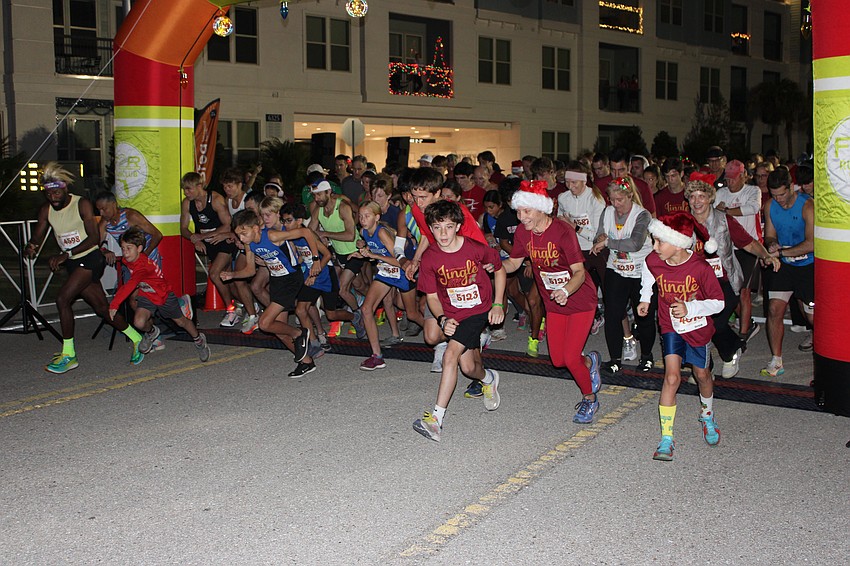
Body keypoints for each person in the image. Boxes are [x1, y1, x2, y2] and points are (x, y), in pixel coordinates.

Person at [25, 162, 144, 373]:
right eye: (49, 193)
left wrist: (66, 254)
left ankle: (69, 355)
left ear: (65, 189)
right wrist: (32, 247)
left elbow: (93, 238)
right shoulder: (46, 210)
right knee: (101, 308)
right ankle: (137, 339)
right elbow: (38, 234)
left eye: (56, 192)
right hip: (73, 262)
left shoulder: (82, 205)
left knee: (62, 299)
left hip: (90, 259)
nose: (53, 197)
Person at [502, 180, 603, 424]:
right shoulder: (523, 232)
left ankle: (590, 399)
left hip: (579, 299)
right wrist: (492, 268)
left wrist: (566, 290)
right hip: (553, 302)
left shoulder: (562, 231)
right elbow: (514, 263)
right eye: (519, 211)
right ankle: (590, 361)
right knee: (558, 360)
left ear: (541, 209)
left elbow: (579, 271)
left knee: (569, 358)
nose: (521, 216)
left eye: (527, 211)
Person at [412, 200, 507, 442]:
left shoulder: (475, 248)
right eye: (436, 227)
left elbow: (499, 268)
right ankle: (489, 379)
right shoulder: (430, 258)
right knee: (469, 368)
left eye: (448, 226)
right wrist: (442, 318)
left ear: (457, 226)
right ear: (430, 229)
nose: (443, 233)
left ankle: (436, 420)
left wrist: (497, 304)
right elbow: (431, 296)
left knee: (449, 356)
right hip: (453, 313)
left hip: (478, 310)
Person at [638, 212, 725, 461]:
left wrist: (691, 307)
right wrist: (646, 298)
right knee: (672, 377)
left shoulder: (699, 268)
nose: (654, 247)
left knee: (701, 375)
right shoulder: (655, 260)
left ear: (677, 242)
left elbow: (718, 303)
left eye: (659, 241)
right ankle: (666, 438)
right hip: (670, 324)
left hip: (697, 326)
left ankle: (707, 415)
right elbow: (647, 271)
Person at [685, 172, 779, 378]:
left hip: (725, 280)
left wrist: (766, 256)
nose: (696, 201)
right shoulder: (684, 223)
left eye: (701, 196)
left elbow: (749, 242)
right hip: (696, 283)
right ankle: (703, 369)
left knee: (715, 324)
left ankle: (731, 351)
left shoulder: (724, 220)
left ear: (710, 197)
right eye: (692, 196)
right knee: (697, 325)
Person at [222, 210, 316, 377]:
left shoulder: (272, 235)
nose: (242, 238)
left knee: (265, 323)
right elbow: (250, 270)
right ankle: (306, 361)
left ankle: (299, 333)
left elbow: (306, 232)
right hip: (277, 281)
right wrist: (232, 275)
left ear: (257, 228)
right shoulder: (249, 244)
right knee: (279, 331)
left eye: (244, 233)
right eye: (239, 235)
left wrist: (315, 259)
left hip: (291, 279)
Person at [108, 228, 210, 362]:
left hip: (164, 296)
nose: (125, 253)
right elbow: (126, 265)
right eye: (123, 248)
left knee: (181, 322)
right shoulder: (129, 259)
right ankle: (152, 332)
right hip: (147, 295)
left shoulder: (143, 267)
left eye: (129, 248)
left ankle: (199, 339)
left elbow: (130, 285)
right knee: (138, 322)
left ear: (139, 248)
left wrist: (114, 304)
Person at [591, 176, 655, 373]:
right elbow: (600, 234)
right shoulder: (608, 211)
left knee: (643, 315)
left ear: (630, 196)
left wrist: (607, 242)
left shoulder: (642, 215)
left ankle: (646, 356)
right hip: (617, 268)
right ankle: (615, 358)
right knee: (613, 314)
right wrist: (600, 238)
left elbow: (634, 244)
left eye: (620, 200)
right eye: (612, 199)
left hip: (640, 271)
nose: (616, 204)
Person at [761, 168, 814, 377]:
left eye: (782, 194)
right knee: (774, 309)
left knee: (812, 317)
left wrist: (782, 252)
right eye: (774, 195)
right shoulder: (770, 205)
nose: (779, 199)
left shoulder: (808, 205)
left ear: (792, 187)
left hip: (807, 265)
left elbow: (811, 244)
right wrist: (772, 246)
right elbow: (770, 236)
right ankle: (776, 360)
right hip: (783, 264)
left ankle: (823, 356)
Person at [354, 202, 421, 369]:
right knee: (366, 309)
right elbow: (373, 251)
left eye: (367, 216)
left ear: (377, 217)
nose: (363, 220)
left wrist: (373, 255)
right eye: (361, 216)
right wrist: (363, 250)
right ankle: (377, 356)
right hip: (385, 274)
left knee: (411, 314)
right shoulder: (363, 232)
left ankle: (442, 336)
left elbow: (399, 260)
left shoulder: (382, 232)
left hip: (402, 273)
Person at [180, 172, 240, 328]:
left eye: (189, 189)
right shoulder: (187, 203)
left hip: (223, 240)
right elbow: (183, 228)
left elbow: (228, 225)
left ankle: (231, 310)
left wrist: (203, 236)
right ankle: (245, 306)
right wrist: (193, 237)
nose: (186, 193)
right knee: (229, 281)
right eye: (184, 190)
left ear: (199, 186)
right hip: (209, 243)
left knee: (214, 274)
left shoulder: (216, 199)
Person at [715, 160, 764, 341]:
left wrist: (727, 210)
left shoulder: (753, 191)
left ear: (744, 176)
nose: (730, 183)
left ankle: (743, 335)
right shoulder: (721, 192)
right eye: (728, 179)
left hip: (749, 247)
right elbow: (712, 212)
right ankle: (748, 323)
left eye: (734, 179)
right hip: (728, 247)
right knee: (728, 289)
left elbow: (753, 208)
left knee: (743, 291)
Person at [557, 162, 607, 334]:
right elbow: (560, 225)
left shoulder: (595, 199)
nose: (570, 187)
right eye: (567, 182)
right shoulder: (563, 198)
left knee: (606, 288)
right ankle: (586, 318)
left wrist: (575, 227)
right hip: (574, 250)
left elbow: (598, 234)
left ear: (584, 181)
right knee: (577, 288)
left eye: (574, 183)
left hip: (595, 249)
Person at [308, 180, 366, 315]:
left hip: (355, 251)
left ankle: (358, 316)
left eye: (319, 195)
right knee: (359, 285)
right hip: (339, 253)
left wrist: (325, 234)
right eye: (314, 196)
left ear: (329, 192)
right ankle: (375, 304)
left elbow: (350, 235)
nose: (316, 199)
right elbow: (310, 231)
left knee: (342, 289)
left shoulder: (343, 207)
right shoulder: (318, 210)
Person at [221, 167, 260, 334]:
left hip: (256, 241)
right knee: (236, 279)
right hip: (245, 243)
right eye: (225, 186)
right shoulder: (228, 201)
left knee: (258, 284)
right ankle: (251, 312)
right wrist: (237, 238)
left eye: (230, 186)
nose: (227, 190)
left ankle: (257, 308)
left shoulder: (249, 200)